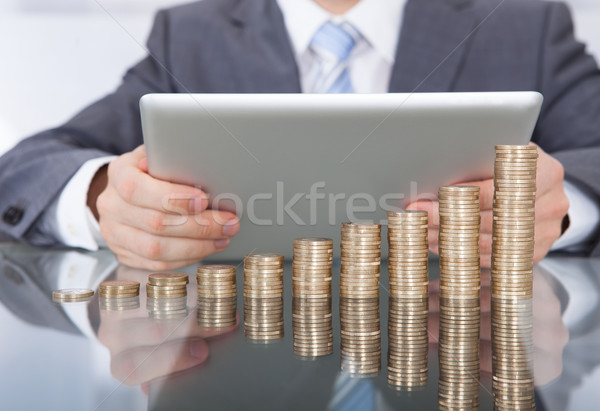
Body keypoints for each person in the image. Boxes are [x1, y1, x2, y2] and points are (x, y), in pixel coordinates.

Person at [0, 0, 599, 270]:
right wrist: (104, 195)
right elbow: (27, 168)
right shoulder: (192, 35)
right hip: (238, 352)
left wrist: (563, 208)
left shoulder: (528, 24)